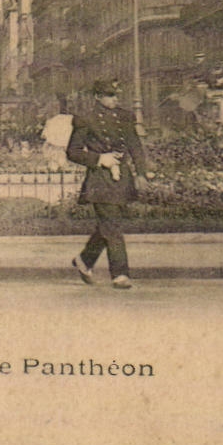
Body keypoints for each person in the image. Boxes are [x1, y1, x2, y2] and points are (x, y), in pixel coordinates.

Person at [66, 79, 151, 289]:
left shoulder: (125, 117)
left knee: (108, 224)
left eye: (116, 95)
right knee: (112, 224)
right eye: (109, 95)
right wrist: (98, 159)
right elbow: (73, 152)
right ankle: (120, 274)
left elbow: (135, 146)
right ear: (97, 97)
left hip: (121, 176)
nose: (114, 99)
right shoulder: (86, 119)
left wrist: (141, 173)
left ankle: (85, 260)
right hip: (100, 178)